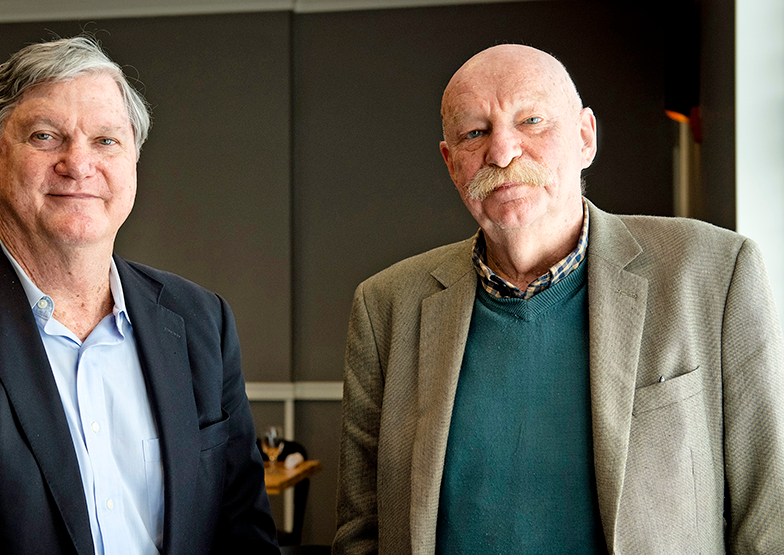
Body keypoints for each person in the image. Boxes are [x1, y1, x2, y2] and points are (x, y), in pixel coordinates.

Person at [333, 44, 784, 554]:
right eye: (474, 133)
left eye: (531, 121)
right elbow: (361, 535)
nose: (502, 153)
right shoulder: (386, 306)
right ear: (451, 163)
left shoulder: (715, 272)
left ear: (586, 137)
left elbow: (769, 520)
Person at [0, 36, 279, 555]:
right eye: (45, 136)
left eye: (106, 140)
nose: (78, 163)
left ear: (133, 162)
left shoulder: (201, 320)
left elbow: (244, 534)